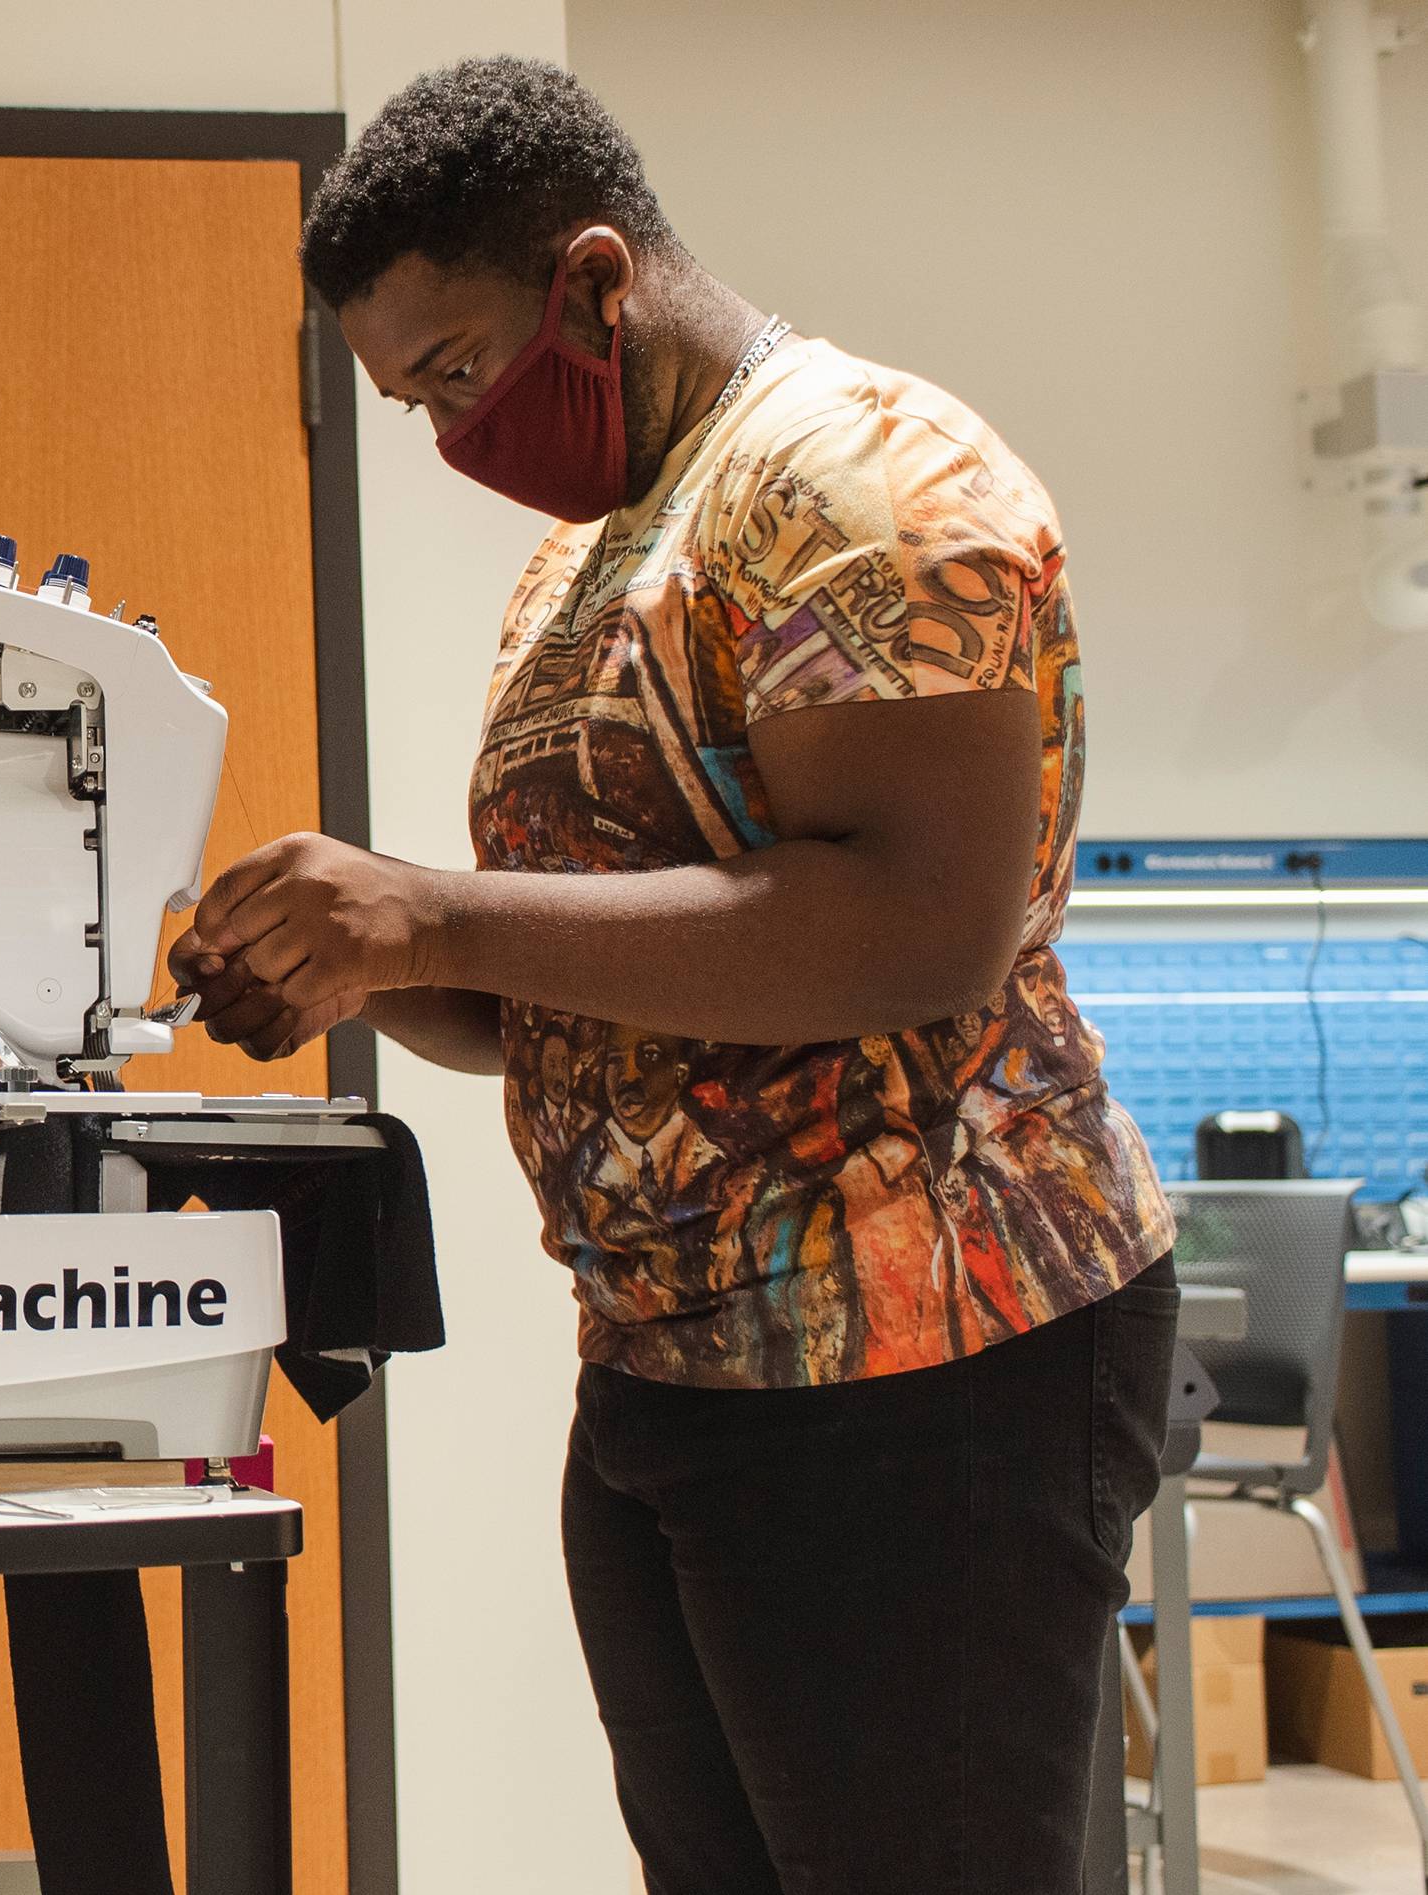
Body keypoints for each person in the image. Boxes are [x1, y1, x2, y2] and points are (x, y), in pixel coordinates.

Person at [171, 56, 1179, 1893]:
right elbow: (568, 991)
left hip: (923, 1359)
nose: (447, 432)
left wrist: (433, 911)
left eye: (456, 370)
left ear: (597, 280)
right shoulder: (585, 561)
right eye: (407, 404)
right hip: (677, 1364)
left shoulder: (866, 478)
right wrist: (346, 970)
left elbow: (911, 929)